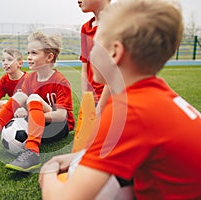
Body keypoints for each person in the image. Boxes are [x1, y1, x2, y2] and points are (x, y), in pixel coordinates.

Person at [39, 0, 201, 199]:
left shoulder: (130, 113)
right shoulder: (156, 97)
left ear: (114, 52)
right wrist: (76, 158)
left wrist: (48, 170)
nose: (89, 55)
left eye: (94, 46)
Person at [0, 31, 75, 173]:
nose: (29, 57)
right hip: (36, 122)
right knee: (19, 96)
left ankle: (32, 152)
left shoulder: (60, 81)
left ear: (49, 57)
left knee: (32, 99)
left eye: (34, 53)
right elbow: (22, 103)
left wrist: (32, 114)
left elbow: (62, 115)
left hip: (57, 127)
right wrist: (21, 111)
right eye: (28, 53)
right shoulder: (29, 78)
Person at [78, 0, 111, 104]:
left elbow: (118, 71)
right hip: (93, 98)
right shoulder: (86, 28)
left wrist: (100, 107)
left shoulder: (119, 24)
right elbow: (85, 68)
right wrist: (86, 99)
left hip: (114, 99)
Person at [0, 48, 26, 115]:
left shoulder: (28, 79)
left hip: (26, 107)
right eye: (3, 60)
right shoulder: (3, 80)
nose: (5, 63)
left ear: (20, 63)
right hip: (11, 106)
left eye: (10, 60)